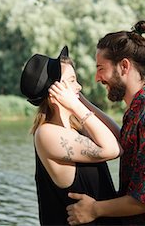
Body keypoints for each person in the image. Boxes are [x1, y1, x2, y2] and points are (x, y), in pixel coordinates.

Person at [66, 21, 145, 225]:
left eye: (101, 68)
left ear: (124, 66)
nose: (97, 78)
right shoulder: (137, 110)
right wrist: (76, 99)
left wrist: (94, 209)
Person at [20, 46, 123, 225]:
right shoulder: (46, 134)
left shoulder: (77, 127)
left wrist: (80, 100)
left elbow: (120, 138)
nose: (80, 86)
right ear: (55, 91)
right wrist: (76, 106)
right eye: (73, 81)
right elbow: (112, 149)